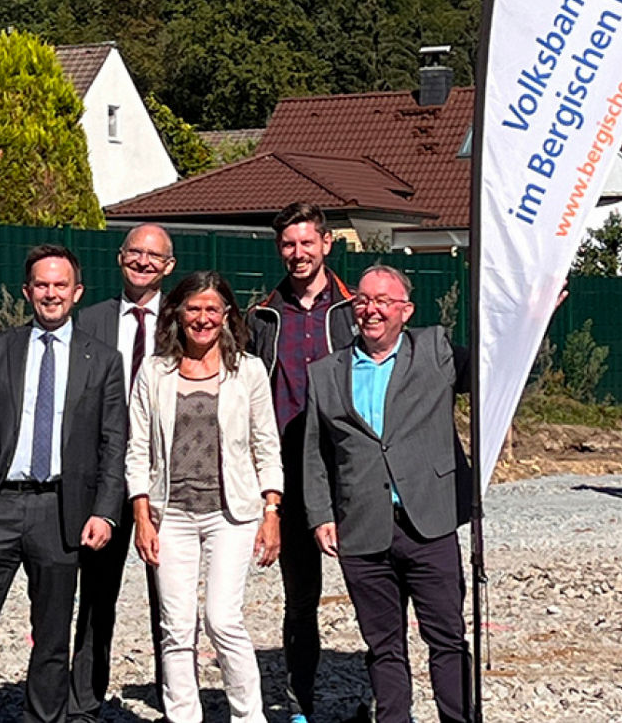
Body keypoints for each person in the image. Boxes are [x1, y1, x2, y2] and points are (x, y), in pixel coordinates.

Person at [0, 244, 128, 723]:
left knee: (52, 635)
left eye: (60, 285)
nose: (51, 293)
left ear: (77, 292)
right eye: (41, 284)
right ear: (27, 291)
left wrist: (104, 510)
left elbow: (113, 441)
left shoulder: (102, 360)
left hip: (60, 511)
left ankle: (44, 718)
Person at [303, 265, 472, 723]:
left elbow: (495, 368)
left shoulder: (434, 349)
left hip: (428, 522)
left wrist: (532, 317)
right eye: (362, 300)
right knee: (383, 646)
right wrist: (320, 515)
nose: (370, 309)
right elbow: (316, 453)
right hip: (363, 530)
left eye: (382, 301)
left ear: (405, 310)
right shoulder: (325, 373)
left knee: (447, 639)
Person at [127, 270, 283, 723]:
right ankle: (183, 716)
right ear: (177, 313)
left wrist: (271, 511)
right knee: (176, 628)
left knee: (223, 619)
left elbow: (266, 444)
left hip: (231, 514)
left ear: (227, 315)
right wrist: (142, 513)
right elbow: (138, 448)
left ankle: (247, 716)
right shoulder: (154, 372)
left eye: (211, 309)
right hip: (170, 513)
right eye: (193, 308)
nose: (202, 318)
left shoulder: (248, 371)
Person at [245, 202, 355, 723]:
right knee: (300, 600)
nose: (298, 253)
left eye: (307, 243)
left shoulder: (356, 311)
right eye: (288, 244)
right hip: (288, 473)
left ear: (327, 244)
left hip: (350, 473)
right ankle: (299, 704)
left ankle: (381, 699)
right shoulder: (262, 318)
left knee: (373, 592)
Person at [69, 223, 175, 720]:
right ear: (120, 257)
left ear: (168, 266)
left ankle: (176, 697)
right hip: (104, 476)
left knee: (169, 596)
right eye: (135, 252)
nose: (143, 262)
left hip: (168, 478)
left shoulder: (185, 319)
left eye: (154, 256)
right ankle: (85, 700)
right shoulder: (86, 321)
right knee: (96, 595)